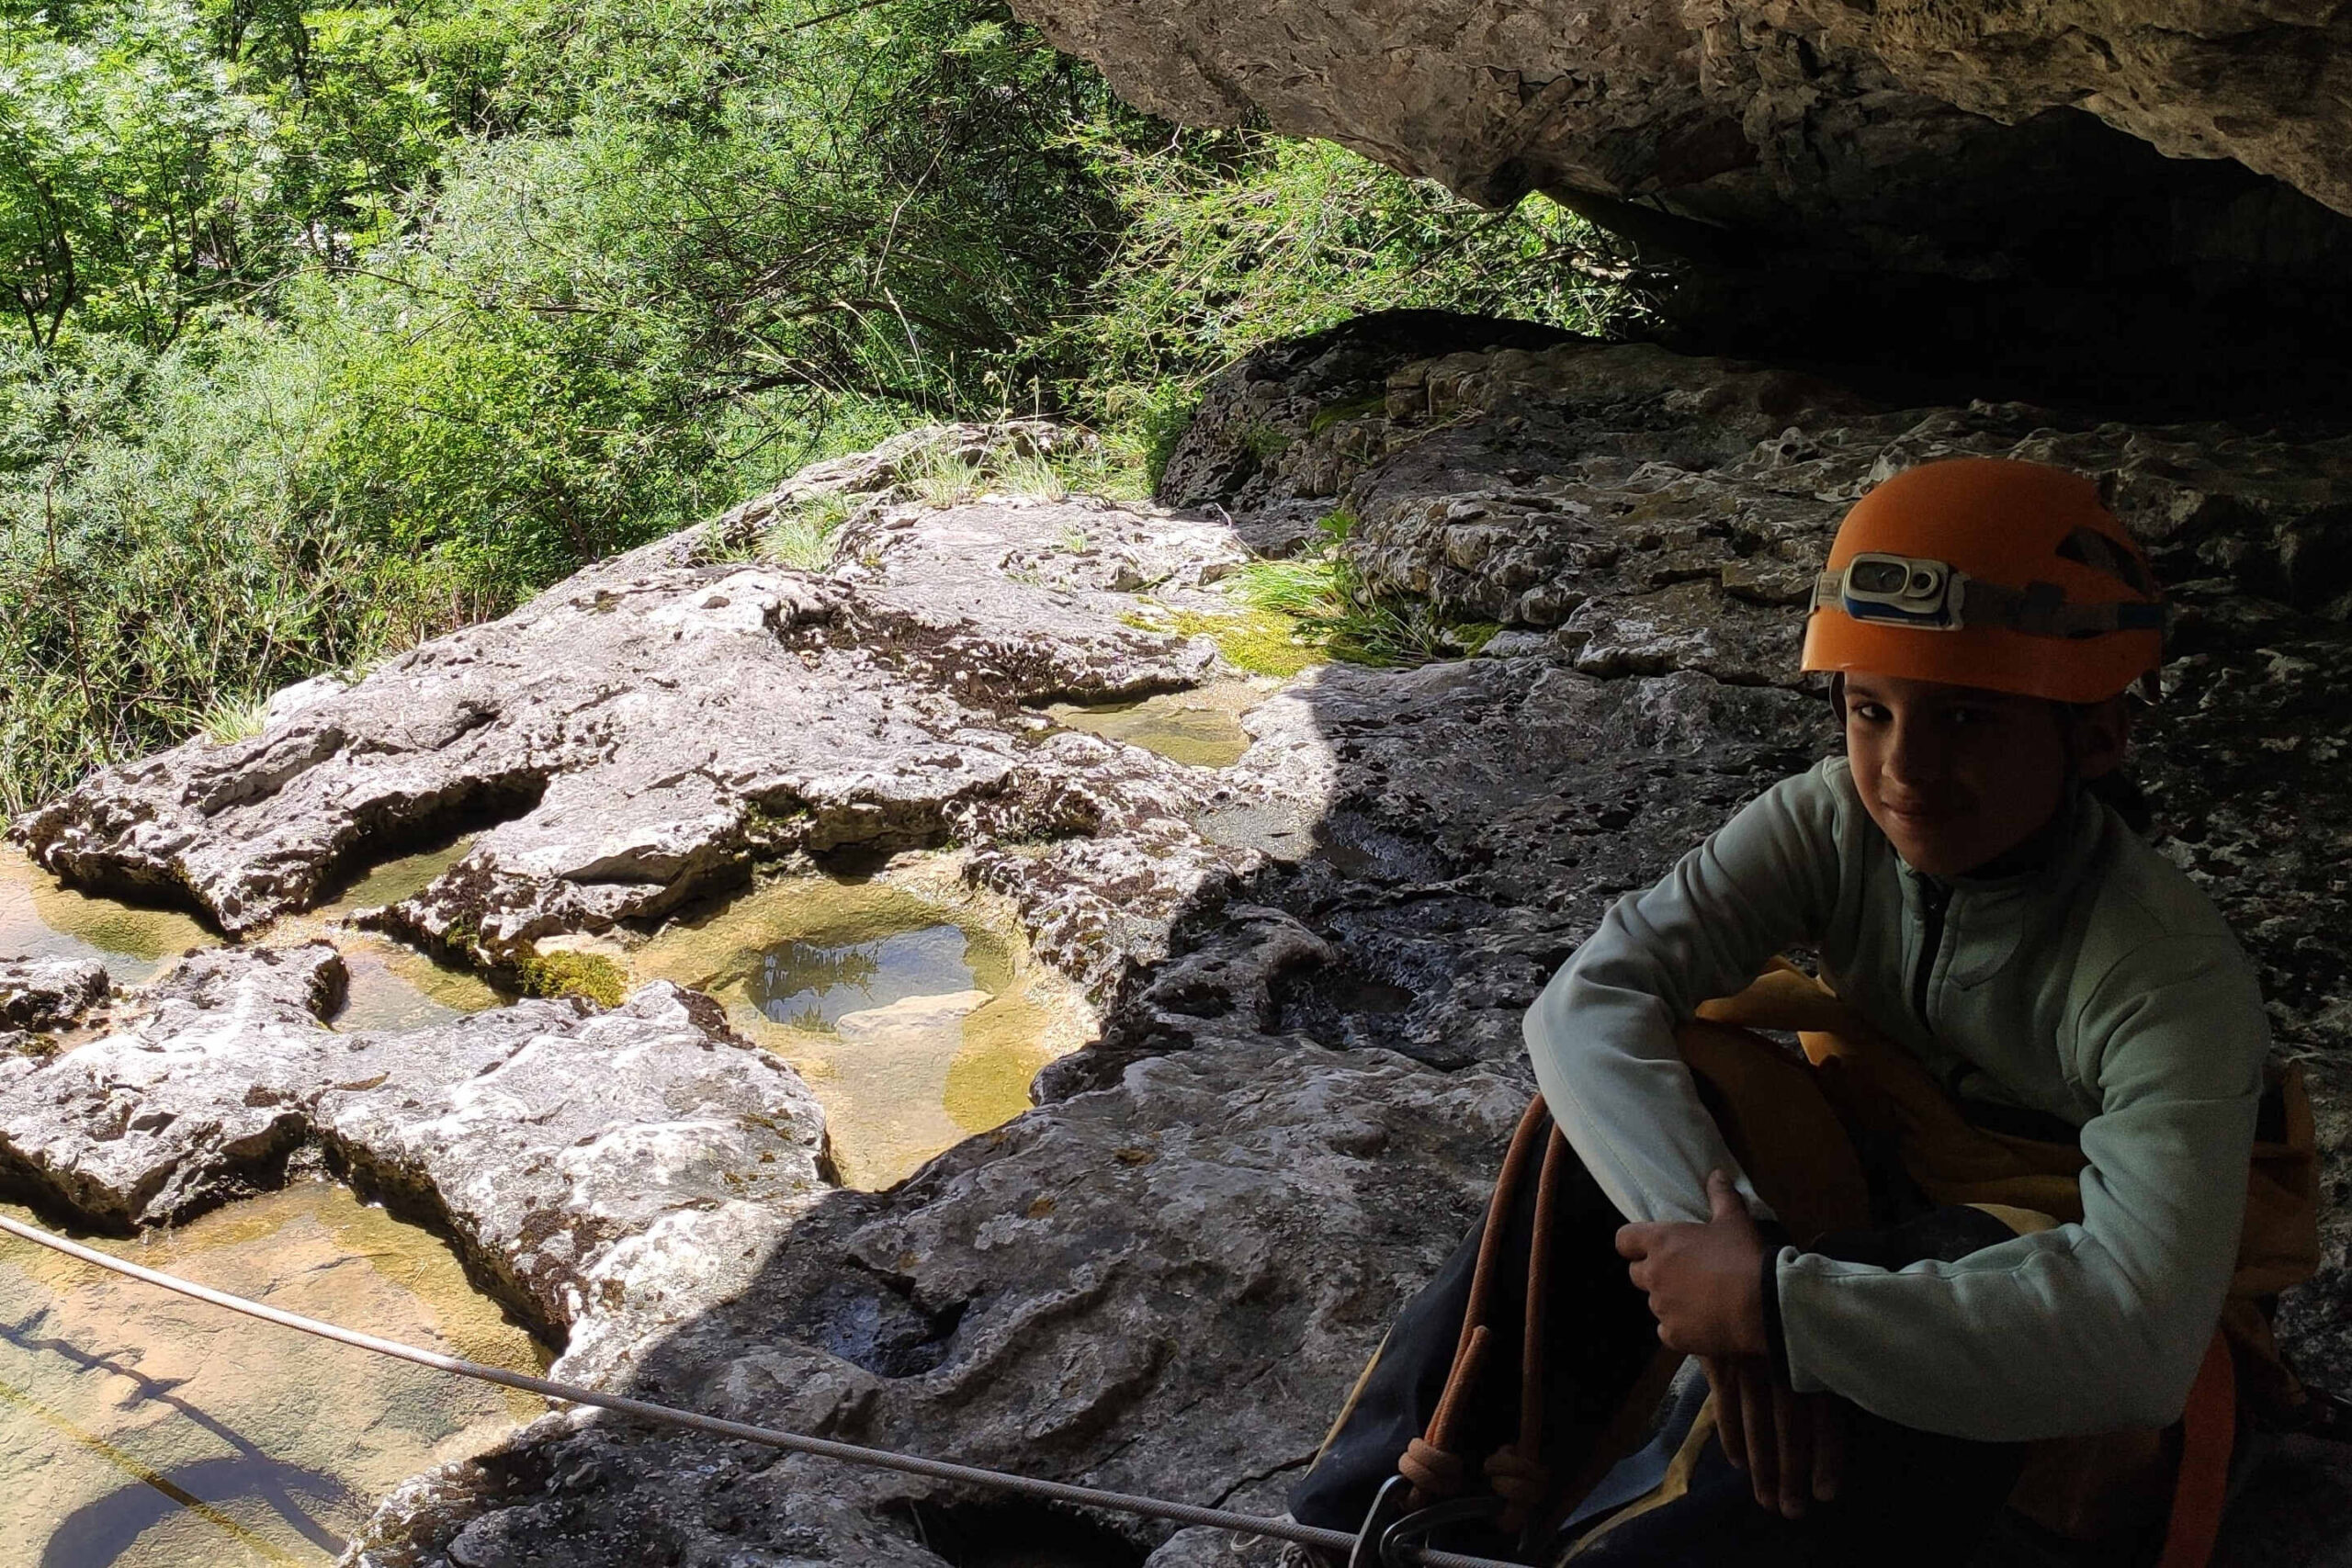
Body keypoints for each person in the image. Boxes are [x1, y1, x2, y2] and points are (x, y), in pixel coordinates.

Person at [1291, 456, 2317, 1565]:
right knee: (1601, 1127)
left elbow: (2142, 1337)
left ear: (2096, 736)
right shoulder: (1829, 823)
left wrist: (1782, 1315)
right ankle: (1384, 1511)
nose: (1902, 770)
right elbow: (1589, 1002)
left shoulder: (2163, 971)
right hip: (1860, 1200)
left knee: (1945, 1260)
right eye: (1868, 711)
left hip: (2030, 1265)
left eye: (1966, 720)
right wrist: (1730, 1266)